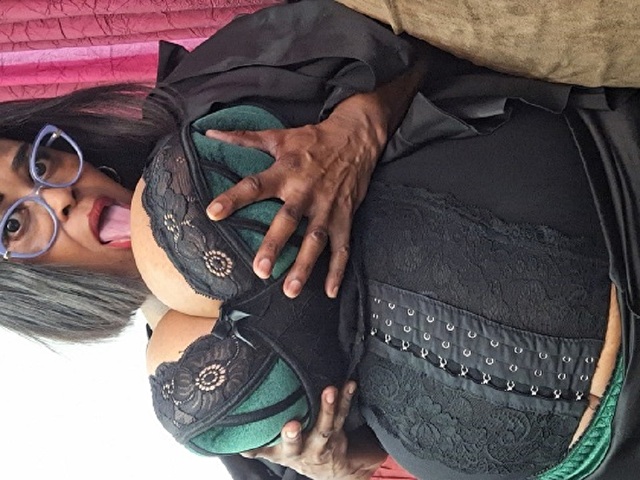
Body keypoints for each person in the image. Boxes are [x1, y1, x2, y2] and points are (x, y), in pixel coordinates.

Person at [0, 2, 638, 480]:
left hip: (617, 203)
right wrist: (340, 464)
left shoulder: (202, 105)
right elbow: (372, 453)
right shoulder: (200, 398)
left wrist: (362, 122)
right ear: (23, 290)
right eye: (12, 222)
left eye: (37, 163)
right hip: (609, 449)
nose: (56, 196)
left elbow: (423, 37)